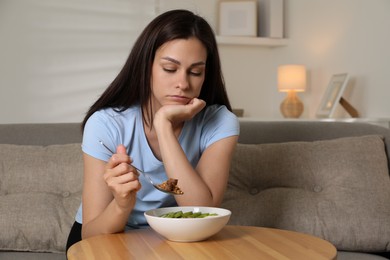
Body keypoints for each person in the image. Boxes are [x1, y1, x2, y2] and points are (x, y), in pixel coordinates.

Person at [66, 9, 239, 251]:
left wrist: (163, 125)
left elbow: (203, 211)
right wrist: (122, 204)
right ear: (146, 67)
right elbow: (91, 233)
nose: (183, 84)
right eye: (170, 68)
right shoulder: (105, 124)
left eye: (195, 72)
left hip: (174, 240)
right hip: (107, 235)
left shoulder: (220, 122)